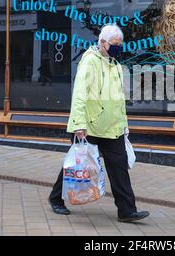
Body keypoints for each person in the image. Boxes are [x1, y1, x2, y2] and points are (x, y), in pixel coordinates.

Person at [48, 24, 150, 223]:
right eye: (114, 44)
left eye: (120, 44)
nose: (117, 48)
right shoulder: (89, 62)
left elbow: (118, 100)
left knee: (119, 169)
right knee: (77, 165)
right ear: (102, 42)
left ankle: (127, 211)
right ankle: (56, 198)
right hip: (89, 127)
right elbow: (79, 94)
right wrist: (78, 123)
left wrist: (124, 125)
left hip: (113, 128)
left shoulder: (116, 65)